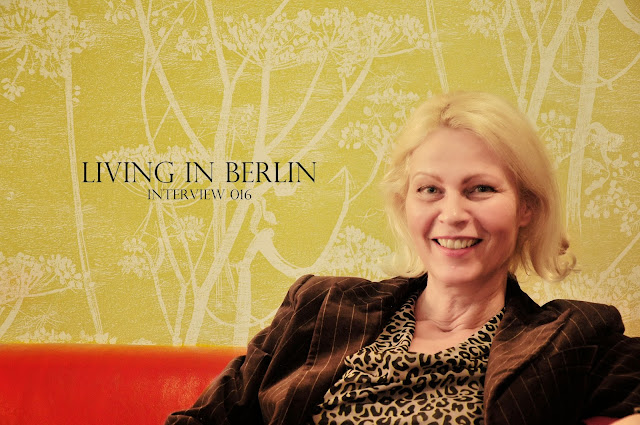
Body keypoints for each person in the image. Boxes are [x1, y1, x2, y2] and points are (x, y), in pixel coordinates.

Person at [166, 92, 640, 425]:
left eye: (481, 188)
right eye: (429, 189)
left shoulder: (571, 338)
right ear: (406, 205)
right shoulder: (319, 306)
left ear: (526, 208)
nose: (452, 214)